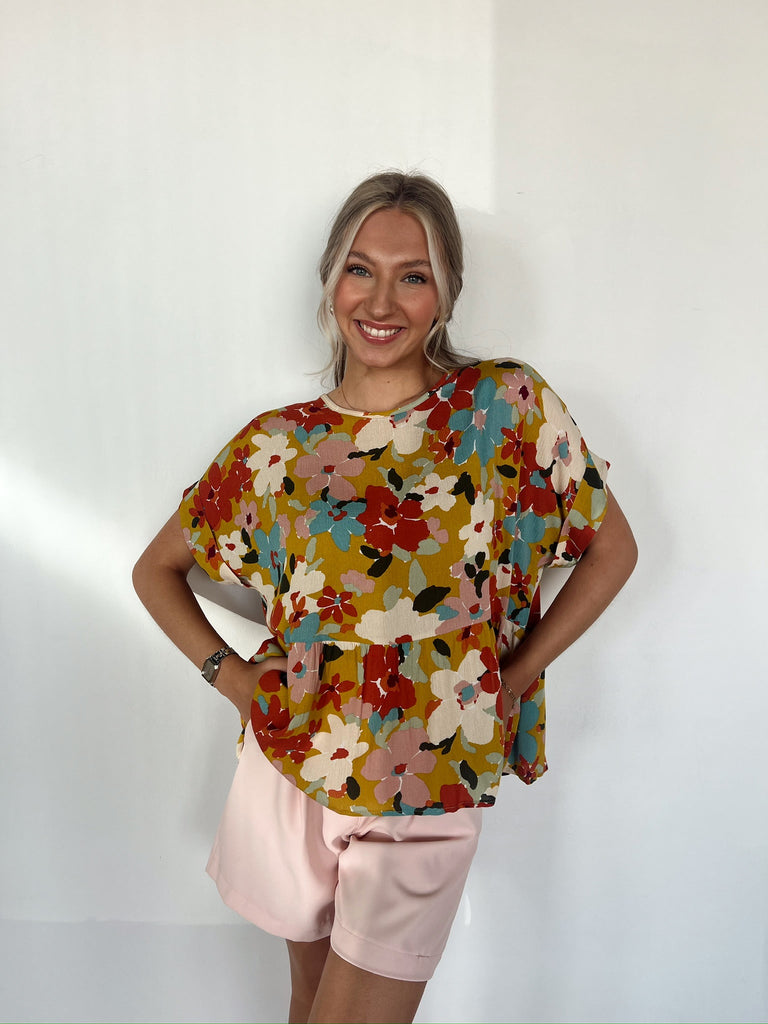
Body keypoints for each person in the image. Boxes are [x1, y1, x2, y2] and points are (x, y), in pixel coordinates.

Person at [133, 170, 637, 1024]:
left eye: (414, 275)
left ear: (447, 293)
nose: (381, 301)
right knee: (307, 1006)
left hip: (428, 771)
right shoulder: (277, 446)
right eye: (361, 270)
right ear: (331, 279)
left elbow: (611, 549)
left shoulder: (502, 407)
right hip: (292, 763)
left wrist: (512, 678)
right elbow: (157, 569)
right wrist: (233, 677)